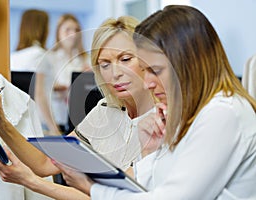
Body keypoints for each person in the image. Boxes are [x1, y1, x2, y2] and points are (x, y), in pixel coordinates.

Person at [54, 5, 256, 199]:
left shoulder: (223, 113)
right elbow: (153, 181)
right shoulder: (192, 113)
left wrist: (91, 189)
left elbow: (171, 197)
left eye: (155, 71)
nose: (148, 83)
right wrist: (150, 151)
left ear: (187, 65)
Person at [0, 16, 157, 199]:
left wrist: (30, 181)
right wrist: (1, 124)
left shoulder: (164, 123)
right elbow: (46, 162)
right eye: (105, 64)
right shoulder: (105, 112)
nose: (115, 73)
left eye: (125, 59)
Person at [35, 13, 90, 134]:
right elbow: (40, 92)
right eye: (67, 30)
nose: (72, 34)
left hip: (78, 121)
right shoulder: (48, 58)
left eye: (76, 30)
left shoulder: (85, 60)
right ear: (58, 32)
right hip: (54, 120)